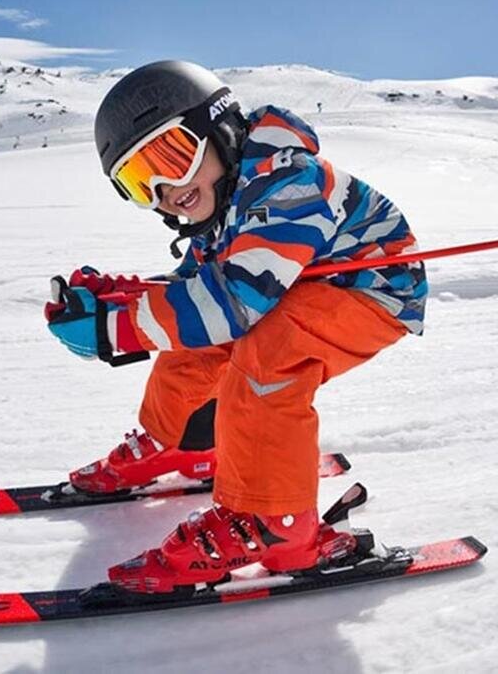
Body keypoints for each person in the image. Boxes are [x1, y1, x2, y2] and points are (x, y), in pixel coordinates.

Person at [45, 60, 426, 593]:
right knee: (193, 339)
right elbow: (194, 293)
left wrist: (115, 329)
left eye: (170, 157)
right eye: (138, 182)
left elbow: (235, 303)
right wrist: (121, 298)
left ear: (220, 129)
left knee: (269, 355)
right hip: (289, 288)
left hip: (371, 291)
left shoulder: (289, 182)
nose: (164, 188)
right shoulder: (221, 204)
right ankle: (182, 442)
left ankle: (276, 526)